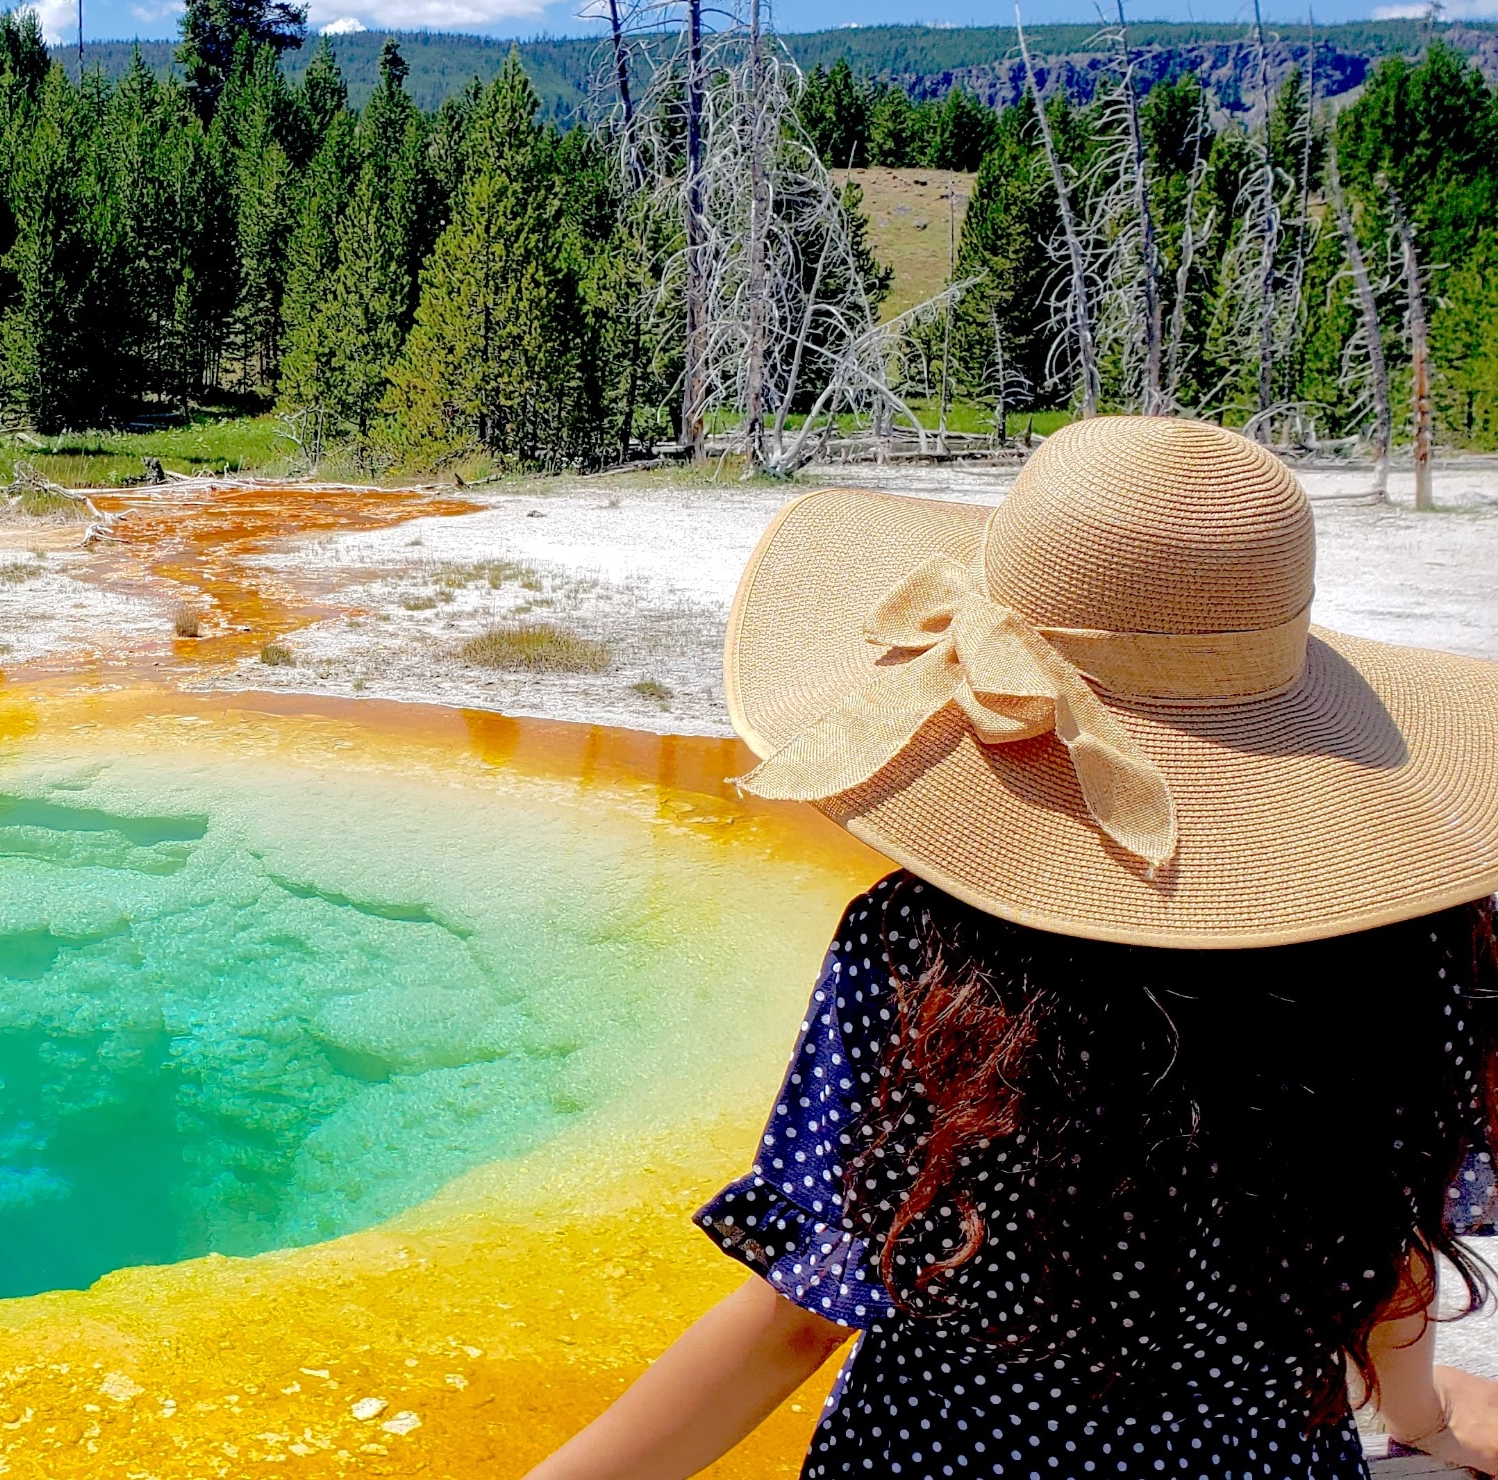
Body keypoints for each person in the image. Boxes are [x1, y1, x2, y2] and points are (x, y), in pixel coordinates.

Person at [526, 416, 1498, 1479]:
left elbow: (797, 1321)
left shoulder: (918, 954)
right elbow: (1396, 1251)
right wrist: (1424, 1417)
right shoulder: (1418, 954)